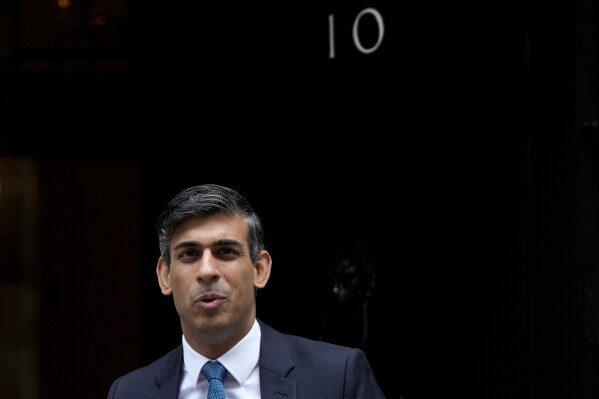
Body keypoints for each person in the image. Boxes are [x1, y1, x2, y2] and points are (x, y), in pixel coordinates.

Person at [107, 183, 386, 399]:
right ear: (165, 276)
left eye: (226, 251)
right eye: (189, 254)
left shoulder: (338, 377)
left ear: (260, 269)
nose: (207, 271)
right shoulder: (129, 392)